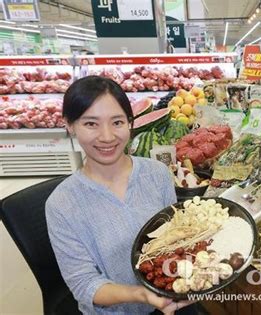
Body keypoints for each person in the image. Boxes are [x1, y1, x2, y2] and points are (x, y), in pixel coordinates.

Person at [45, 76, 193, 314]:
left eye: (117, 122)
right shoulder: (62, 204)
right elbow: (84, 284)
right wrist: (141, 294)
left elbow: (175, 238)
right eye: (91, 124)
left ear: (130, 123)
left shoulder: (157, 174)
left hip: (168, 292)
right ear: (70, 126)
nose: (107, 137)